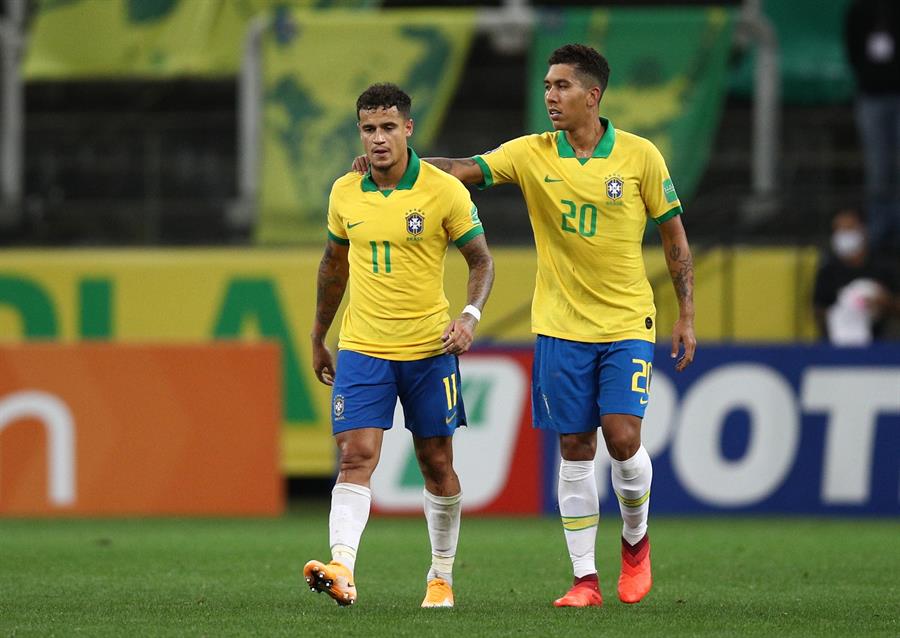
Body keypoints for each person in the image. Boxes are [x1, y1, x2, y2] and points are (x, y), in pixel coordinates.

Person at [353, 43, 696, 608]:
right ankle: (584, 579)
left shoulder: (640, 157)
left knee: (623, 436)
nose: (550, 97)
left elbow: (674, 236)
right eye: (546, 86)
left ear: (593, 94)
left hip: (627, 321)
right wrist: (392, 161)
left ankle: (635, 542)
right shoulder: (532, 153)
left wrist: (685, 314)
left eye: (561, 86)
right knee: (575, 445)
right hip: (560, 324)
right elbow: (463, 170)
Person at [305, 83, 494, 608]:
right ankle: (342, 565)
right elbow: (332, 267)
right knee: (355, 456)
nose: (379, 138)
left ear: (408, 128)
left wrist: (469, 316)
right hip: (364, 346)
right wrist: (320, 336)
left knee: (436, 462)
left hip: (430, 348)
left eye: (389, 127)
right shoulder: (345, 191)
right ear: (360, 132)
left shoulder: (443, 191)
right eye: (369, 129)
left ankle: (441, 576)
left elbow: (480, 261)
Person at [844, 0, 900, 254]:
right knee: (878, 168)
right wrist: (868, 76)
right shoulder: (860, 9)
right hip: (872, 94)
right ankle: (879, 233)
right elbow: (853, 48)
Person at [813, 208, 899, 345]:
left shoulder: (883, 266)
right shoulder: (828, 270)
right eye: (838, 230)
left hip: (882, 344)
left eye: (848, 229)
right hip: (841, 343)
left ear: (862, 230)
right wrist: (843, 311)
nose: (843, 235)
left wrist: (885, 302)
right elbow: (818, 308)